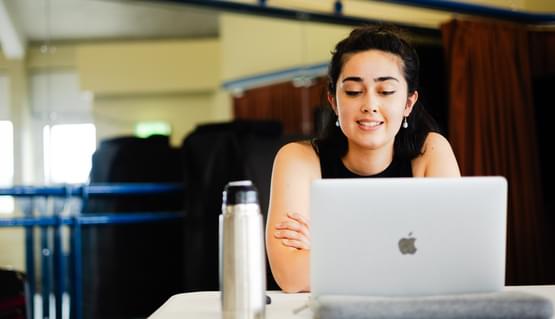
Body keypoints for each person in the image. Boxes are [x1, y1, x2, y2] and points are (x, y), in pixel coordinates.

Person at [265, 25, 461, 293]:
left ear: (408, 103)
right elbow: (292, 276)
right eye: (354, 91)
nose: (369, 104)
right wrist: (404, 254)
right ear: (333, 101)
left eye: (386, 91)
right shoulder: (298, 160)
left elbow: (452, 264)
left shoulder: (431, 152)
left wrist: (327, 249)